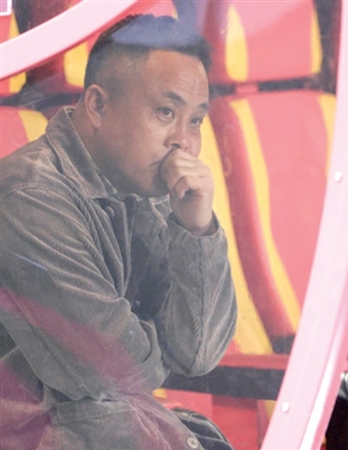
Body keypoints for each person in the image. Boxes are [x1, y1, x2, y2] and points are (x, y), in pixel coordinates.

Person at [0, 14, 237, 450]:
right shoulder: (29, 195)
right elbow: (114, 370)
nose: (184, 143)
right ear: (97, 106)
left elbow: (196, 353)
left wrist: (197, 229)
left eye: (195, 121)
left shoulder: (149, 193)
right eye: (165, 112)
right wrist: (152, 344)